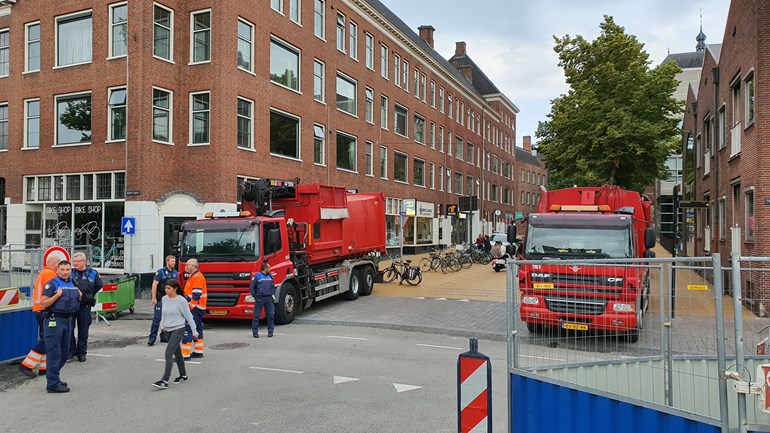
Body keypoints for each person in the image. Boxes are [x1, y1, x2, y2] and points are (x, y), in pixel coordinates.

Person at [40, 260, 81, 393]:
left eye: (67, 270)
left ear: (70, 270)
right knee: (54, 352)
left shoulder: (72, 282)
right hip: (54, 321)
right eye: (62, 270)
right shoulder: (52, 284)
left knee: (65, 352)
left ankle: (54, 378)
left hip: (67, 320)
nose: (65, 272)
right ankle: (52, 384)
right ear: (57, 270)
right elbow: (43, 303)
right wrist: (56, 296)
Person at [19, 254, 61, 378]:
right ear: (55, 264)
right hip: (45, 310)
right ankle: (27, 365)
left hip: (39, 309)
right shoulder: (50, 274)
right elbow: (53, 293)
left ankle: (44, 367)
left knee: (45, 337)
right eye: (59, 264)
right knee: (48, 339)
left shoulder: (44, 273)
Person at [152, 280, 198, 390]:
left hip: (178, 330)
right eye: (165, 288)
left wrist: (194, 331)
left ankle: (165, 380)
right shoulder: (164, 299)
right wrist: (162, 325)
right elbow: (163, 314)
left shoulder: (181, 300)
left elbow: (188, 316)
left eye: (169, 288)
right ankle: (183, 375)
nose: (166, 290)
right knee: (178, 354)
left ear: (175, 289)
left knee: (168, 353)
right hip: (167, 330)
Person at [69, 252, 103, 362]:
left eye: (77, 261)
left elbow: (99, 285)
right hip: (71, 306)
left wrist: (89, 296)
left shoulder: (93, 273)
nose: (75, 264)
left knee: (83, 331)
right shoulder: (70, 273)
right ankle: (71, 351)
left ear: (83, 261)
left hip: (85, 306)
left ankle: (81, 353)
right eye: (74, 261)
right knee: (69, 330)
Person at [148, 255, 178, 346]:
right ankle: (152, 338)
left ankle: (164, 336)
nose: (174, 263)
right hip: (160, 298)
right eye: (172, 261)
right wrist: (153, 298)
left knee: (168, 318)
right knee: (157, 319)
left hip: (170, 299)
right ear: (167, 262)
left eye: (174, 261)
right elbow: (154, 285)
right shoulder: (161, 272)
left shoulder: (175, 272)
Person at [182, 259, 207, 358]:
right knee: (198, 329)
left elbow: (196, 294)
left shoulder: (196, 277)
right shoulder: (195, 276)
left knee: (188, 329)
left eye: (187, 265)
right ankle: (198, 351)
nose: (186, 267)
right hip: (198, 307)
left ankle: (185, 354)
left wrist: (191, 306)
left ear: (193, 266)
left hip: (195, 308)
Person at [250, 263, 276, 338]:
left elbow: (272, 286)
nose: (270, 269)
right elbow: (252, 287)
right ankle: (255, 332)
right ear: (265, 268)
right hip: (260, 298)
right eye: (269, 268)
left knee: (271, 315)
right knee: (256, 316)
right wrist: (255, 297)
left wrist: (273, 294)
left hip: (269, 298)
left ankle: (270, 331)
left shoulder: (270, 276)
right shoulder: (257, 276)